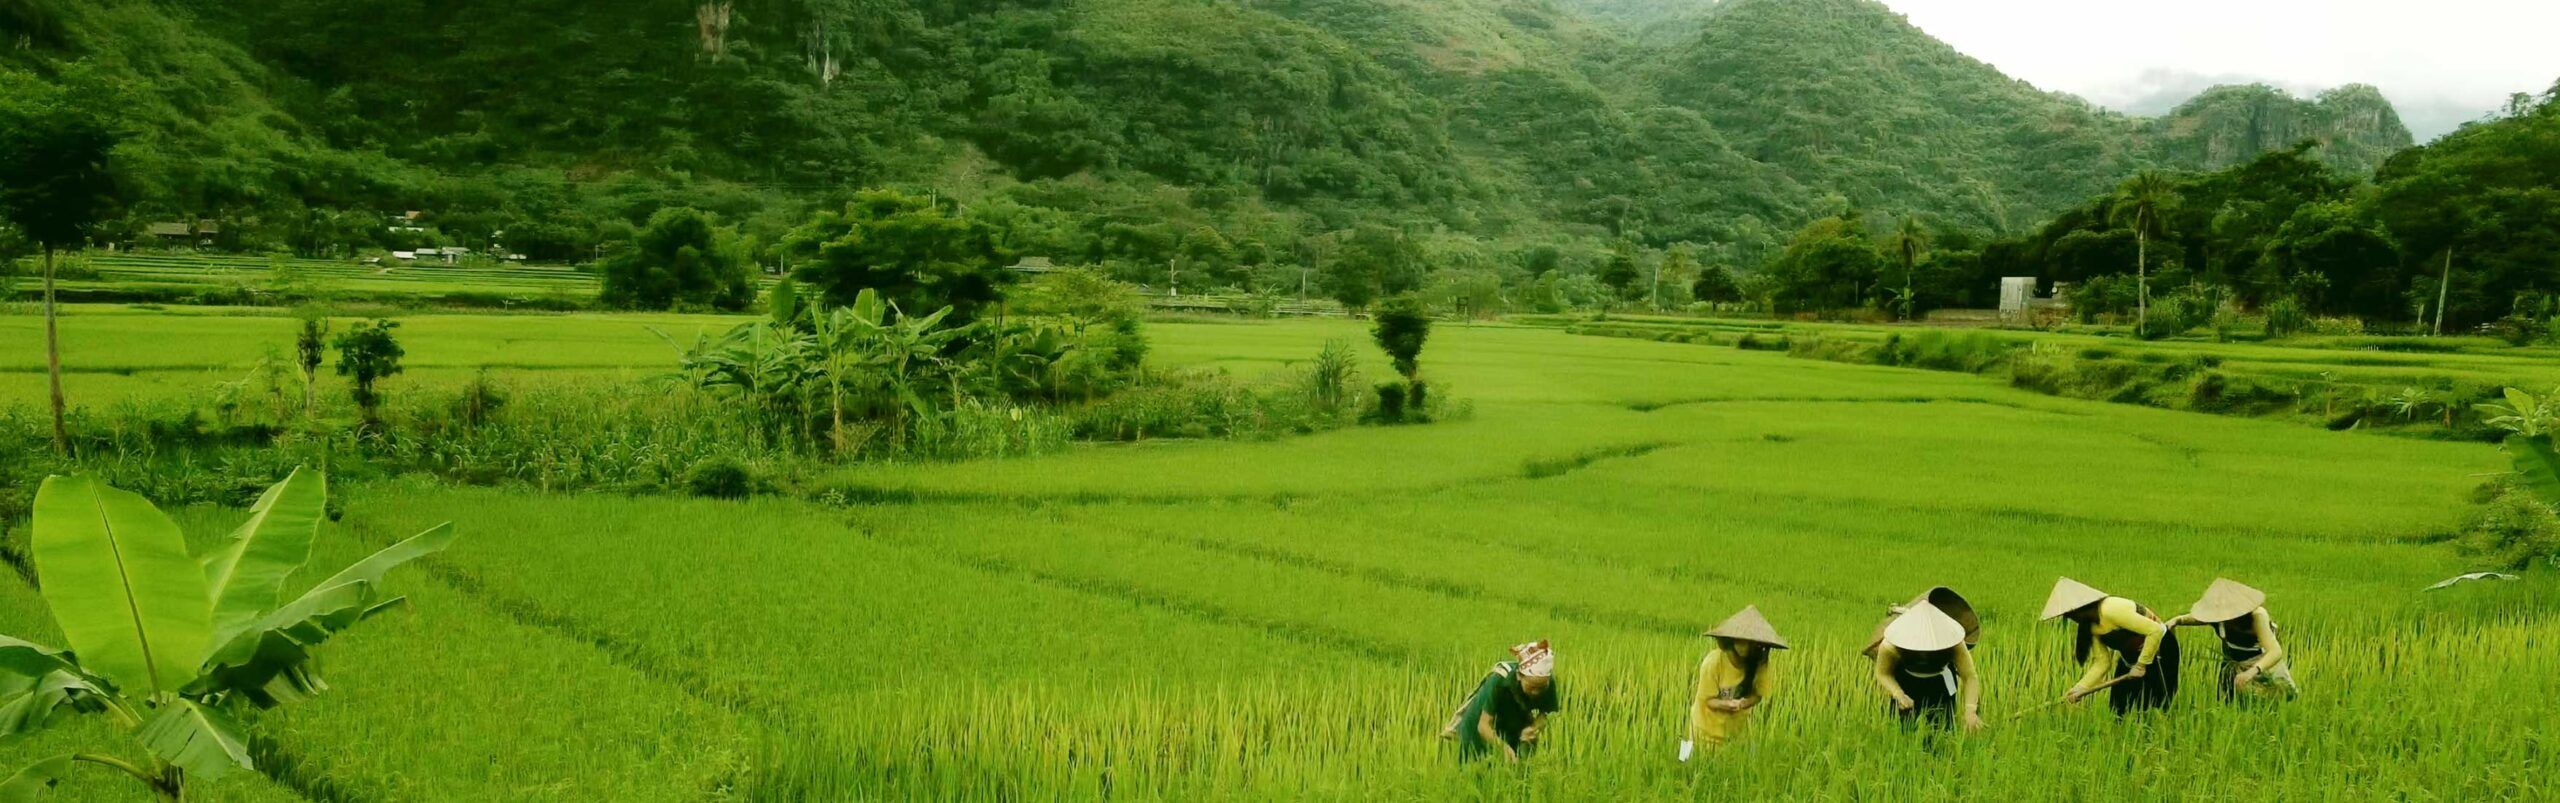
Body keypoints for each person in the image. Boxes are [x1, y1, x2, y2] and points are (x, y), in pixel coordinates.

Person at [2043, 577, 2181, 715]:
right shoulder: (2091, 627)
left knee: (2158, 703)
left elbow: (2155, 630)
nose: (2073, 619)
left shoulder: (2111, 609)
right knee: (2118, 706)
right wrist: (2080, 688)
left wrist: (2141, 665)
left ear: (2083, 607)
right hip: (2131, 658)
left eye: (2072, 614)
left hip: (2160, 649)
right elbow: (2102, 662)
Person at [2166, 578, 2297, 701]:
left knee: (2269, 700)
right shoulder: (2216, 616)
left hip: (2260, 664)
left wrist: (2252, 671)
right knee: (2228, 700)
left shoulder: (2257, 616)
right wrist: (2178, 620)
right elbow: (2197, 618)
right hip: (2231, 662)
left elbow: (2275, 652)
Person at [1683, 606, 1787, 759]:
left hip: (1734, 735)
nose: (1744, 646)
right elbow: (1708, 700)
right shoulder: (1713, 662)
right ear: (1730, 641)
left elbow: (1758, 695)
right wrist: (1728, 704)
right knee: (1684, 767)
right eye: (1741, 641)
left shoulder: (1759, 664)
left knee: (1731, 775)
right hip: (1699, 731)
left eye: (1750, 642)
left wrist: (1744, 703)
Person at [1869, 601, 1985, 731]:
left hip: (1940, 683)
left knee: (1942, 732)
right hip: (1907, 682)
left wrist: (1970, 710)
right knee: (1903, 732)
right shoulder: (1892, 644)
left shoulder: (1953, 641)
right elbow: (1883, 673)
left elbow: (1969, 676)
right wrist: (1898, 693)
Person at [1438, 640, 1561, 763]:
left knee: (1519, 767)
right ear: (1519, 676)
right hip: (1477, 725)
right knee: (1476, 769)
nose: (1536, 692)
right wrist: (1503, 748)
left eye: (1541, 687)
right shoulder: (1499, 682)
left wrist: (1533, 728)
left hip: (1512, 721)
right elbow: (1483, 726)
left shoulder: (1548, 683)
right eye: (1531, 687)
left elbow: (1545, 714)